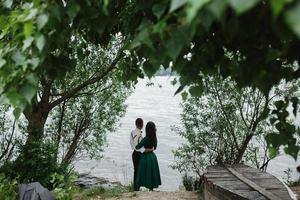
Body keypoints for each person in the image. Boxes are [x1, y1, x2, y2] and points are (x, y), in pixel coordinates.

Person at [135, 121, 161, 191]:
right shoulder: (155, 138)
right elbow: (154, 148)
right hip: (153, 157)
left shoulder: (146, 138)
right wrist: (150, 149)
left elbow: (137, 147)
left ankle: (138, 188)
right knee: (151, 173)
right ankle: (151, 189)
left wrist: (138, 138)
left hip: (145, 157)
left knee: (145, 173)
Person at [130, 118, 153, 191]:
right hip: (138, 155)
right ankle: (137, 188)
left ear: (135, 124)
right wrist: (150, 149)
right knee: (139, 171)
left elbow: (132, 144)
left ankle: (136, 187)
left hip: (134, 153)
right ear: (142, 125)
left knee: (136, 171)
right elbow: (141, 149)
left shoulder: (132, 132)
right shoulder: (138, 135)